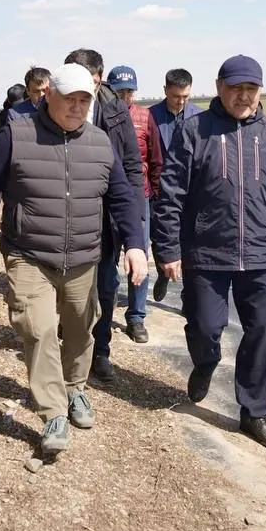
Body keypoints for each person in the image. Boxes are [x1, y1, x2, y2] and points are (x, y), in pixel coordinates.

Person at [0, 63, 148, 459]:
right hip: (30, 254)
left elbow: (121, 198)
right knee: (38, 328)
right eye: (70, 99)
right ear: (49, 96)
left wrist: (135, 244)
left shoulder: (100, 143)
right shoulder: (15, 136)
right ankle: (52, 413)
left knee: (82, 329)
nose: (78, 107)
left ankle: (75, 387)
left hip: (83, 257)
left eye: (85, 100)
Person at [151, 55, 266, 450]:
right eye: (235, 88)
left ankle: (255, 411)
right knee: (203, 327)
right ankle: (206, 362)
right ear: (219, 87)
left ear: (259, 92)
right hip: (206, 252)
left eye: (250, 89)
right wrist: (167, 248)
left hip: (258, 254)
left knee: (263, 332)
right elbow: (170, 195)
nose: (243, 96)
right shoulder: (194, 131)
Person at [62, 49, 143, 382]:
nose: (84, 91)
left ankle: (101, 351)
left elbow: (132, 167)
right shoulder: (55, 107)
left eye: (92, 83)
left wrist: (132, 224)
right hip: (66, 218)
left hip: (106, 220)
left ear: (99, 80)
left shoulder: (114, 111)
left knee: (106, 287)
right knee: (68, 290)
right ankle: (69, 347)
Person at [101, 65, 163, 344]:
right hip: (107, 200)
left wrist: (156, 195)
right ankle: (105, 307)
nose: (125, 97)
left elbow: (155, 160)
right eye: (120, 91)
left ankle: (137, 317)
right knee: (107, 258)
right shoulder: (100, 115)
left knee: (139, 256)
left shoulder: (144, 116)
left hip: (140, 198)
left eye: (129, 91)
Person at [148, 68, 203, 302]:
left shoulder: (200, 118)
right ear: (165, 91)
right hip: (158, 190)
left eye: (185, 97)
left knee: (189, 241)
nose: (180, 101)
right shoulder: (150, 116)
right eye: (175, 96)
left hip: (189, 191)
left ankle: (187, 295)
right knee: (158, 236)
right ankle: (162, 269)